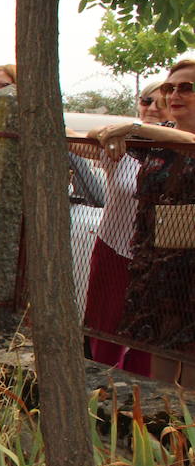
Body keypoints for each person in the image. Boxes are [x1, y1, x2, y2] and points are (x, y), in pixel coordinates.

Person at [89, 59, 195, 386]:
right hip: (156, 266)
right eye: (169, 88)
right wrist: (115, 131)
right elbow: (93, 136)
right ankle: (156, 431)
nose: (174, 94)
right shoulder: (156, 138)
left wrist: (133, 128)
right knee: (157, 358)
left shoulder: (155, 135)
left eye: (186, 88)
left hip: (191, 268)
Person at [80, 79, 171, 375]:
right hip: (113, 249)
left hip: (159, 258)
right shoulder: (122, 144)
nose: (153, 107)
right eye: (147, 100)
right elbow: (80, 139)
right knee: (104, 333)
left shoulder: (176, 149)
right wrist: (115, 132)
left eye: (161, 101)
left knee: (147, 342)